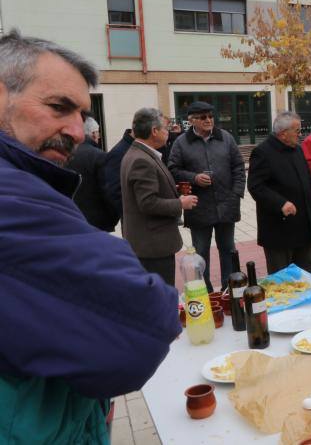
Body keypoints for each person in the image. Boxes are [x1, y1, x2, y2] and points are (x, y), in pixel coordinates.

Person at [0, 30, 179, 443]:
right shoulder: (12, 196)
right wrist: (108, 247)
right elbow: (144, 322)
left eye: (82, 114)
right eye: (59, 107)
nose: (78, 131)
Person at [168, 101, 245, 292]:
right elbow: (173, 170)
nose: (209, 120)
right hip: (199, 207)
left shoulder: (225, 138)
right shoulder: (181, 143)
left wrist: (236, 195)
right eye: (203, 117)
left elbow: (238, 167)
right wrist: (194, 178)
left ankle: (230, 290)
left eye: (211, 116)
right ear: (191, 120)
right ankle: (207, 293)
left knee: (228, 250)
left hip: (226, 205)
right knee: (200, 254)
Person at [122, 107, 198, 285]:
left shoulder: (140, 153)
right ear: (154, 131)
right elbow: (148, 203)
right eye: (165, 128)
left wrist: (172, 189)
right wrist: (180, 203)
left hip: (149, 243)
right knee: (160, 295)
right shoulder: (142, 159)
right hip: (153, 246)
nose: (168, 132)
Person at [248, 111, 311, 274]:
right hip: (279, 231)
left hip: (303, 228)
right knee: (282, 280)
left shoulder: (298, 150)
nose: (300, 135)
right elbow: (255, 186)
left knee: (307, 276)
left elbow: (307, 181)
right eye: (297, 131)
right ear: (283, 134)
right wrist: (280, 203)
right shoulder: (263, 152)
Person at [66, 117, 119, 232]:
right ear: (93, 133)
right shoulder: (100, 156)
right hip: (97, 223)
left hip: (71, 219)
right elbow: (108, 191)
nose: (99, 136)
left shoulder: (65, 155)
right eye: (98, 132)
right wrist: (112, 218)